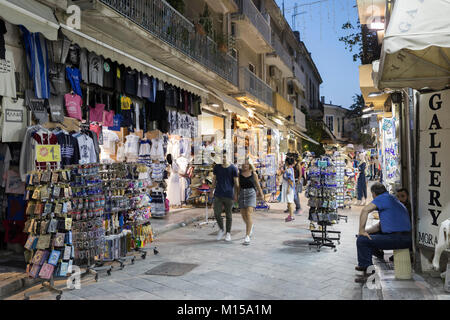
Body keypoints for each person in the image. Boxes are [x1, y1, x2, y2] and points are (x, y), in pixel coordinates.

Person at [355, 183, 412, 283]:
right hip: (404, 237)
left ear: (374, 194)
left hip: (399, 238)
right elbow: (379, 227)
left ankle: (369, 274)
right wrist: (364, 232)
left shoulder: (382, 198)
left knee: (362, 241)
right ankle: (365, 265)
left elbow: (365, 210)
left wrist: (361, 231)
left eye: (372, 195)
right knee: (366, 237)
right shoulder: (391, 199)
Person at [210, 151, 239, 242]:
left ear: (228, 157)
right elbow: (214, 180)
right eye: (222, 157)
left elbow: (236, 183)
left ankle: (228, 233)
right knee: (217, 213)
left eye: (225, 157)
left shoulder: (233, 168)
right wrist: (211, 191)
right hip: (218, 193)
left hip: (229, 194)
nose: (223, 159)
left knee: (228, 215)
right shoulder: (217, 167)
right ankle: (221, 229)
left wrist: (236, 194)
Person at [237, 159, 264, 245]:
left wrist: (261, 194)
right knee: (243, 215)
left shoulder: (253, 174)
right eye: (244, 164)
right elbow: (237, 186)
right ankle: (250, 225)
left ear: (249, 165)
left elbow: (257, 184)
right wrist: (236, 195)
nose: (245, 166)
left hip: (251, 194)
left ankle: (247, 236)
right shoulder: (239, 174)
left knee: (248, 213)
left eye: (247, 164)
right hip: (242, 194)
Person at [281, 157, 296, 222]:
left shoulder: (288, 170)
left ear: (287, 162)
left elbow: (290, 180)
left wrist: (288, 188)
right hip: (290, 187)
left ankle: (291, 216)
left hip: (288, 187)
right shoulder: (290, 169)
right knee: (290, 202)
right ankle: (291, 215)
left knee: (290, 202)